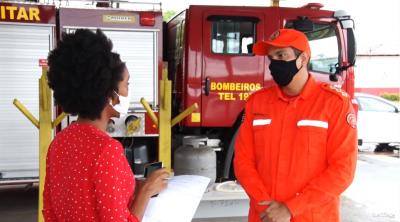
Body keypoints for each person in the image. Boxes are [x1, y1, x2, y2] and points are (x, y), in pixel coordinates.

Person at [43, 29, 169, 221]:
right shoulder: (107, 150)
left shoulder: (58, 143)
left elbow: (50, 211)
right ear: (109, 93)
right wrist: (147, 191)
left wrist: (135, 186)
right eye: (127, 84)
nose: (128, 92)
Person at [234, 29, 357, 222]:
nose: (274, 63)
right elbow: (243, 162)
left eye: (282, 55)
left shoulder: (334, 104)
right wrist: (264, 204)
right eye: (271, 57)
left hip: (313, 216)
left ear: (303, 59)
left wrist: (291, 208)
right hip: (265, 216)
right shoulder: (256, 103)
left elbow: (343, 170)